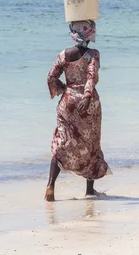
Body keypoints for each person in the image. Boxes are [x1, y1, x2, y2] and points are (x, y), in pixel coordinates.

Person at [45, 20, 110, 201]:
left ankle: (50, 186)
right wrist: (87, 96)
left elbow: (51, 77)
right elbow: (91, 76)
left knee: (62, 143)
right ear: (90, 34)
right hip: (88, 105)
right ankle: (89, 190)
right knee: (91, 145)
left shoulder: (63, 55)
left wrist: (63, 89)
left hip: (67, 103)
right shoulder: (93, 54)